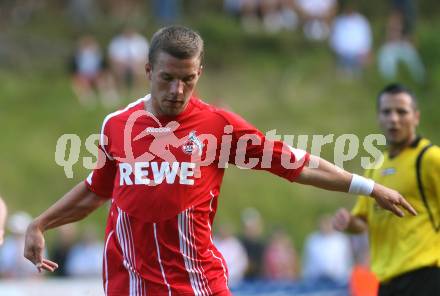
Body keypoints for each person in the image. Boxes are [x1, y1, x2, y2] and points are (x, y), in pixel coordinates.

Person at [24, 26, 416, 296]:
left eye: (188, 79)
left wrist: (370, 187)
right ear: (147, 71)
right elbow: (97, 189)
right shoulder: (118, 125)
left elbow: (298, 164)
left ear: (199, 73)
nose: (178, 90)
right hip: (132, 285)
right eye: (167, 78)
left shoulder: (217, 126)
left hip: (199, 284)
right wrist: (41, 223)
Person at [333, 83, 440, 296]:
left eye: (402, 112)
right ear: (378, 118)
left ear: (416, 117)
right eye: (387, 112)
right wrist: (349, 222)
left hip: (426, 275)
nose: (394, 118)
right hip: (386, 281)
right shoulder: (375, 167)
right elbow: (362, 223)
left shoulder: (429, 158)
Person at [302, 214, 352, 283]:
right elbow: (307, 262)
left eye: (328, 222)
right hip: (316, 280)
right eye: (324, 222)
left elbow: (348, 261)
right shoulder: (312, 240)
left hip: (338, 279)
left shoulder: (342, 240)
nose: (326, 225)